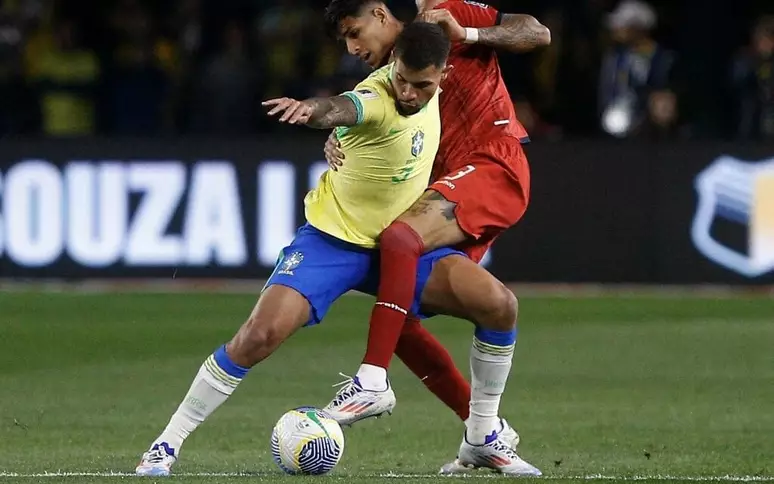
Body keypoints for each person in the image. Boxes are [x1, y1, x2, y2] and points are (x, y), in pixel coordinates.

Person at [135, 22, 539, 477]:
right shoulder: (378, 96)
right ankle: (165, 445)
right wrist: (312, 112)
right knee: (258, 336)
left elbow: (532, 34)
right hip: (335, 241)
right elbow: (342, 108)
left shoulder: (443, 90)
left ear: (444, 76)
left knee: (499, 306)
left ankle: (482, 435)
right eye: (401, 79)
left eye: (420, 85)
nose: (407, 92)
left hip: (401, 245)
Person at [319, 1, 549, 472]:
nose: (353, 47)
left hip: (492, 162)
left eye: (354, 32)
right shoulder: (386, 77)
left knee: (400, 238)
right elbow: (364, 116)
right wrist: (339, 136)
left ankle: (371, 380)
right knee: (424, 312)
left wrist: (470, 33)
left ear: (381, 14)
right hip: (444, 189)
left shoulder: (443, 17)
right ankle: (483, 433)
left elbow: (536, 32)